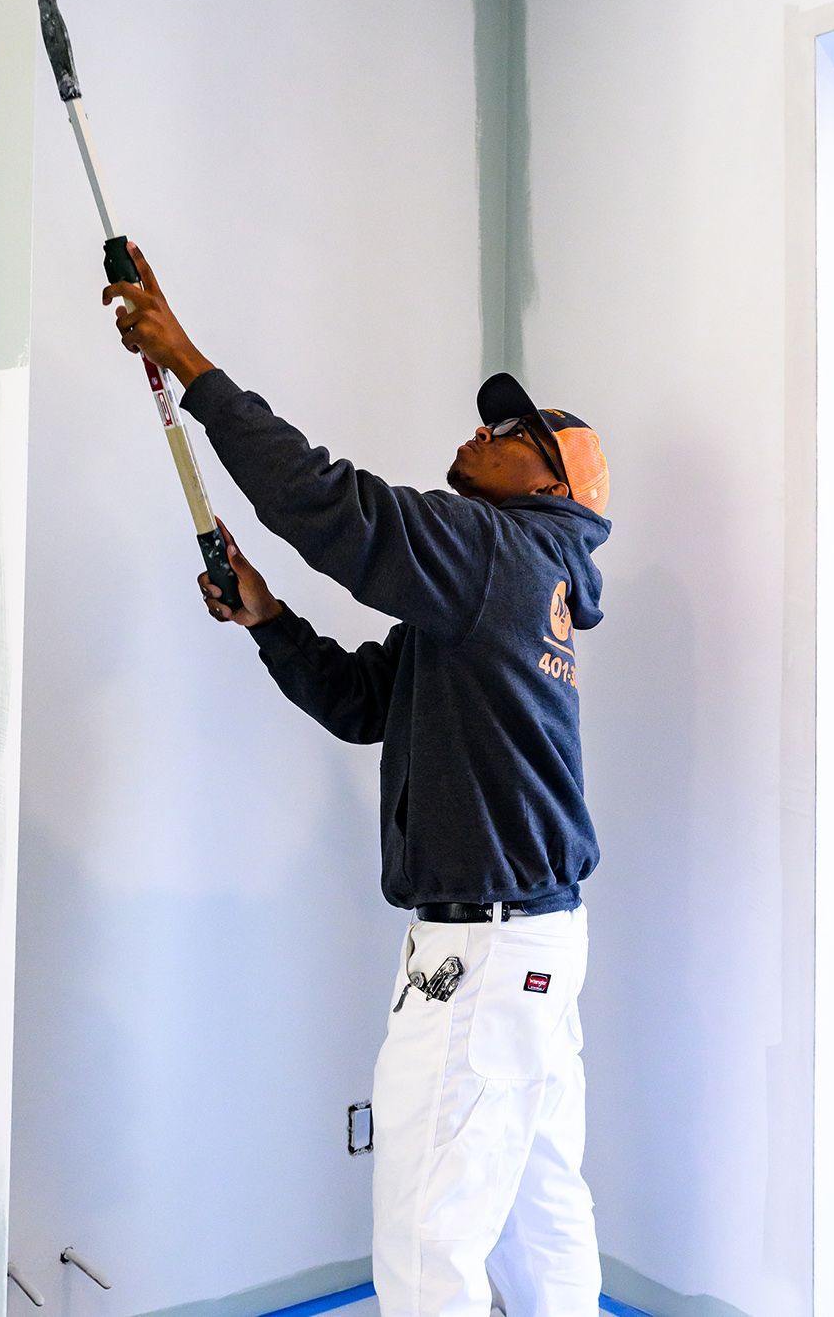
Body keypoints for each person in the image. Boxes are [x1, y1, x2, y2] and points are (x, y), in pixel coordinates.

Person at [103, 245, 612, 1317]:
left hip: (484, 951)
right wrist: (268, 620)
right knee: (536, 1216)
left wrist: (188, 362)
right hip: (531, 942)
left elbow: (325, 503)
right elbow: (364, 706)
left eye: (509, 434)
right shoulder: (506, 587)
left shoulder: (495, 554)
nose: (480, 434)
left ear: (550, 487)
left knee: (428, 1240)